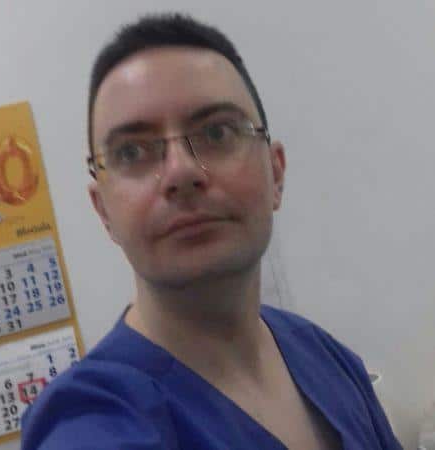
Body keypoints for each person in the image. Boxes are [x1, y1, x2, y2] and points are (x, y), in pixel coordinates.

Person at [21, 13, 403, 450]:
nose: (181, 172)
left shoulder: (324, 356)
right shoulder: (92, 422)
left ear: (276, 174)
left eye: (217, 132)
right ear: (103, 210)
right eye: (131, 152)